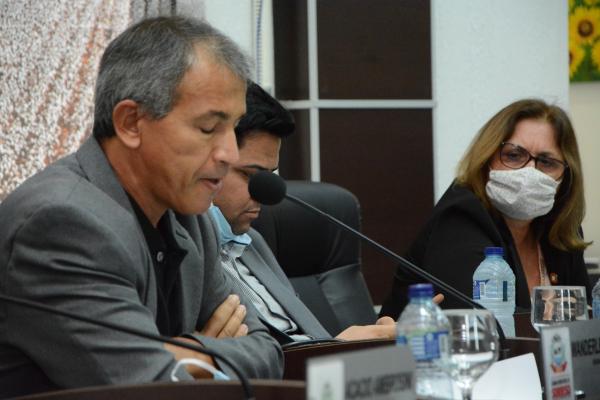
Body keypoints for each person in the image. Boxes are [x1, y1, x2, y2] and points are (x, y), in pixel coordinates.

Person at [0, 17, 282, 398]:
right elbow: (150, 387)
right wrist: (200, 356)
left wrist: (191, 352)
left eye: (233, 127)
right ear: (130, 123)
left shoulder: (191, 215)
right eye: (207, 128)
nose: (230, 154)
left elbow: (267, 351)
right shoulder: (59, 223)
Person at [209, 82, 397, 344]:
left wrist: (369, 342)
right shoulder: (183, 253)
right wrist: (337, 349)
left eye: (270, 176)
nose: (265, 194)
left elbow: (310, 339)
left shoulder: (252, 242)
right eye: (250, 175)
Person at [380, 98, 591, 318]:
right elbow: (483, 322)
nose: (530, 171)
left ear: (566, 176)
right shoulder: (461, 218)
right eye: (513, 155)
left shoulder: (561, 229)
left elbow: (584, 317)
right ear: (486, 158)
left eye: (546, 162)